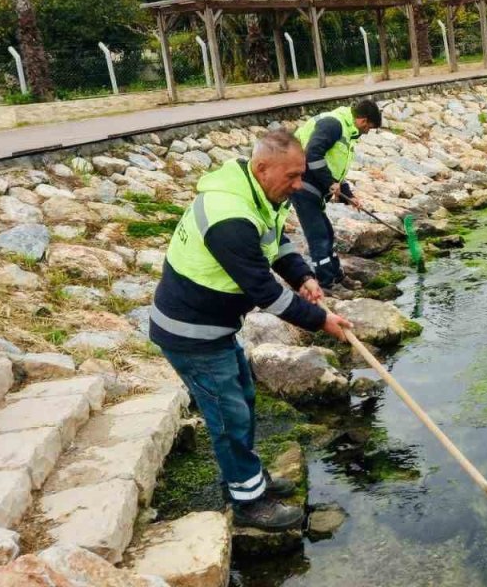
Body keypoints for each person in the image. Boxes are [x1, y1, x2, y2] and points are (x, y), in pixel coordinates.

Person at [149, 129, 353, 531]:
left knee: (242, 396)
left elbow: (276, 243)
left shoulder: (257, 193)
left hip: (215, 328)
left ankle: (250, 480)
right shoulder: (230, 216)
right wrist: (321, 322)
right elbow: (266, 294)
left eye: (300, 177)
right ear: (262, 168)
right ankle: (249, 503)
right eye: (292, 177)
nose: (298, 186)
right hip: (190, 333)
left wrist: (303, 276)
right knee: (229, 415)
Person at [291, 99, 382, 290]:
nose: (367, 132)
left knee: (328, 233)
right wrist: (329, 183)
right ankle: (325, 285)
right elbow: (312, 154)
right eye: (369, 127)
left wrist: (349, 195)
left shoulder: (347, 131)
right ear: (363, 120)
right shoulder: (333, 124)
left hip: (314, 186)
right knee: (318, 236)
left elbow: (334, 169)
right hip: (301, 184)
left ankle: (337, 276)